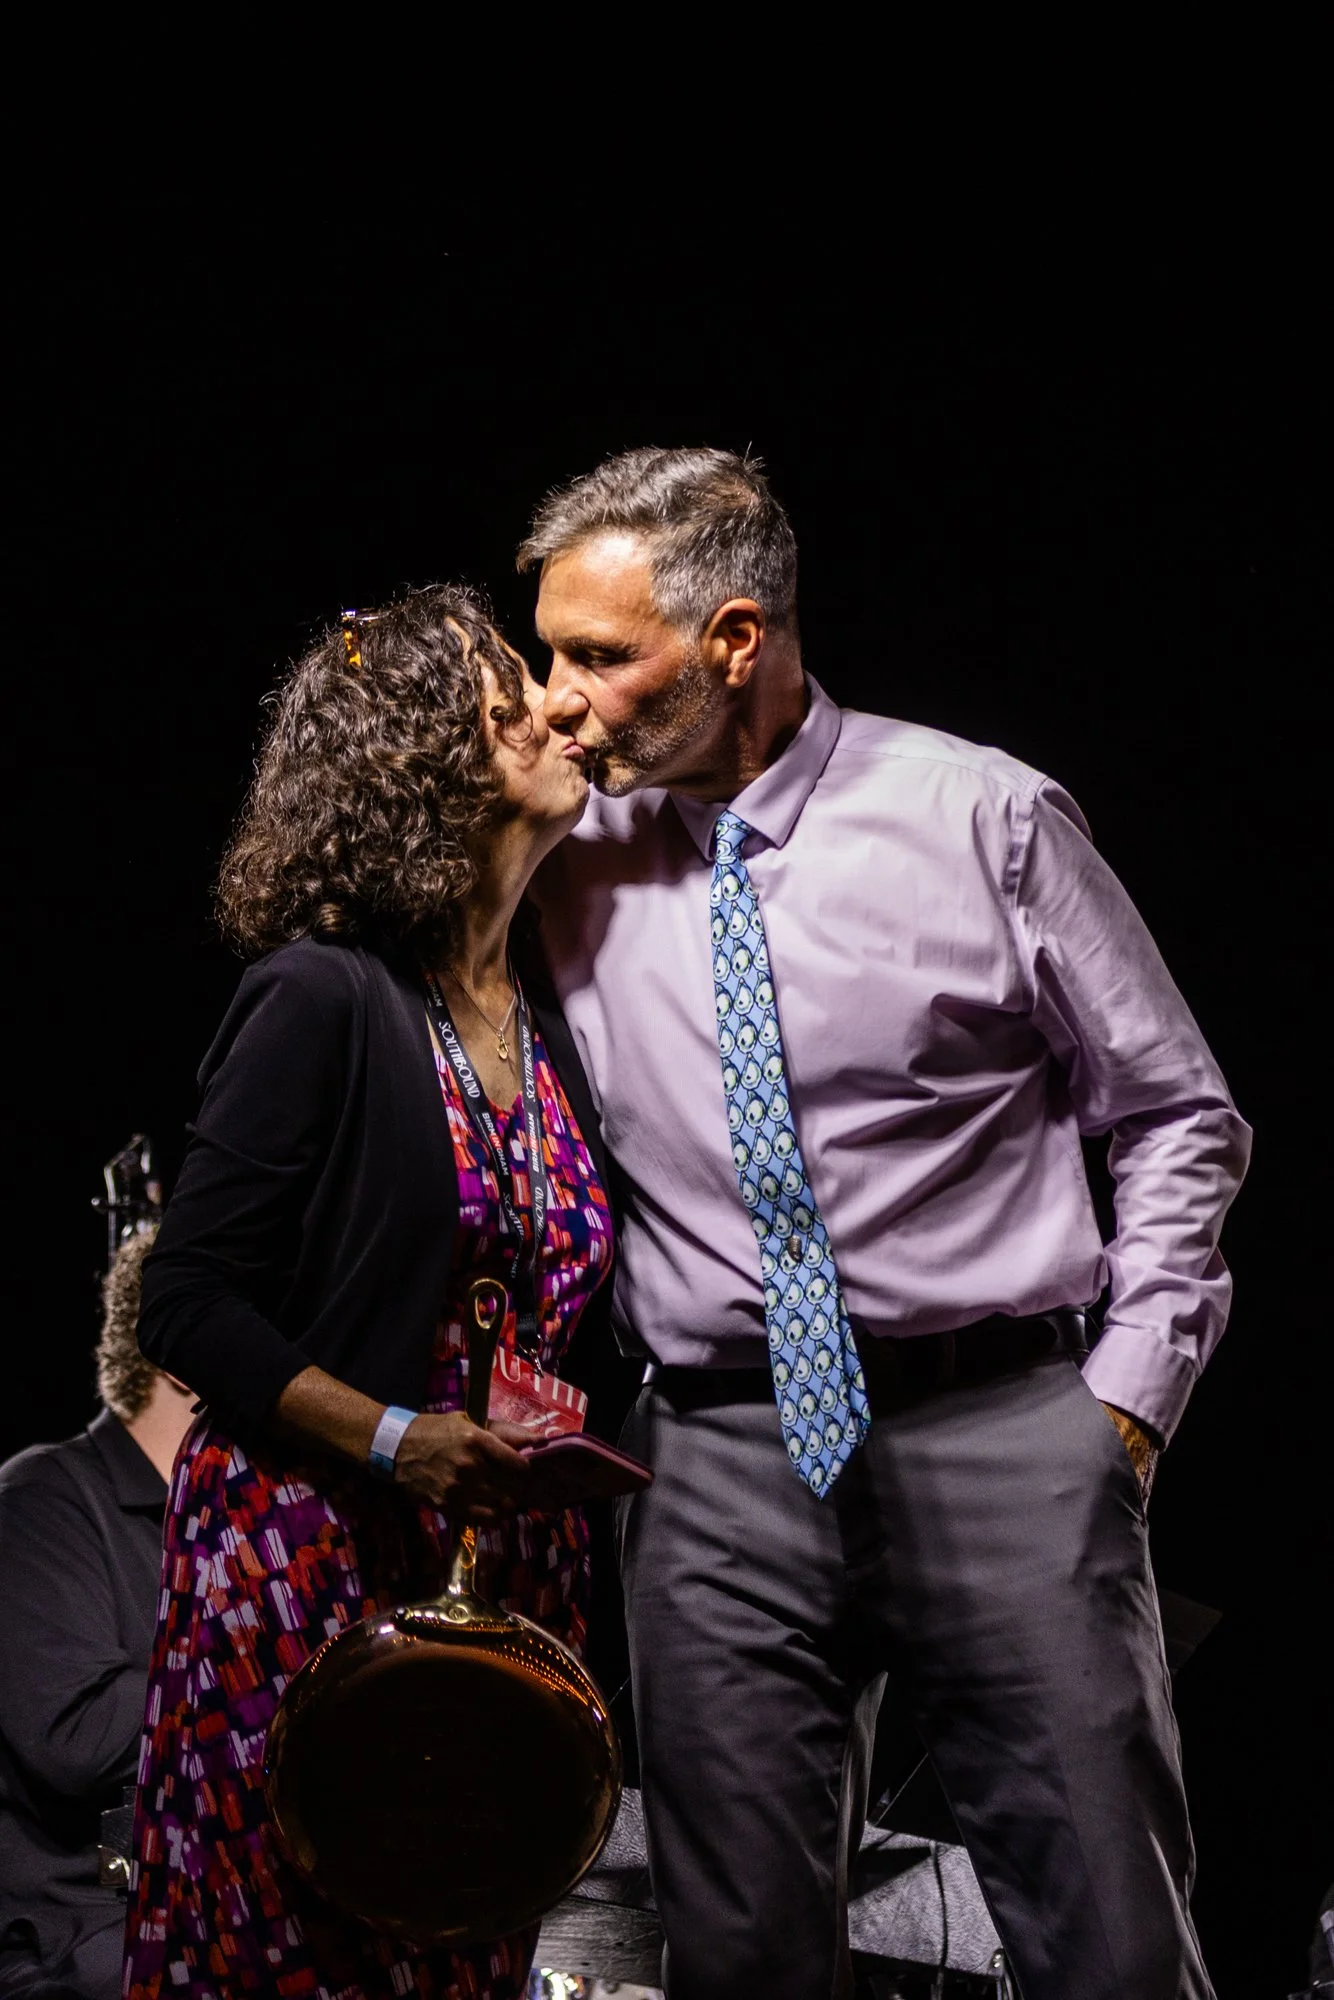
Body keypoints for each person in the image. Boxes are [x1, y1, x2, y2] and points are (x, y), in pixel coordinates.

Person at [521, 447, 1251, 2000]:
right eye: (546, 655)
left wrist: (1123, 1404)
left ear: (733, 640)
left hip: (993, 1425)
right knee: (738, 1958)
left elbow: (1178, 1113)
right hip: (713, 1461)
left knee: (1105, 1936)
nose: (559, 698)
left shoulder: (980, 816)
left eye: (597, 655)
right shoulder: (562, 850)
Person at [123, 588, 612, 2000]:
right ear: (423, 750)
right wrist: (402, 1438)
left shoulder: (550, 1028)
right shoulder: (320, 995)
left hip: (494, 1584)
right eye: (506, 684)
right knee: (298, 1957)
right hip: (308, 1567)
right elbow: (190, 1300)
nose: (550, 707)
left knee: (459, 1953)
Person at [0, 1228, 194, 2000]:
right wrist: (273, 1673)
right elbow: (74, 1735)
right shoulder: (41, 1499)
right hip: (82, 1945)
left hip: (202, 1922)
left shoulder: (231, 1528)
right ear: (187, 1355)